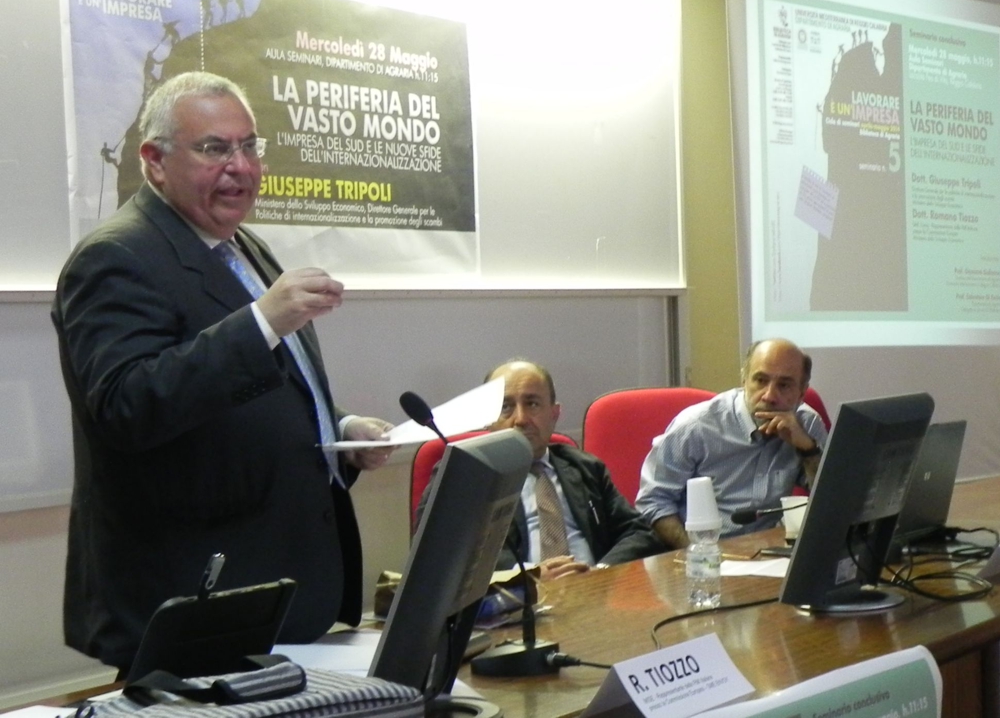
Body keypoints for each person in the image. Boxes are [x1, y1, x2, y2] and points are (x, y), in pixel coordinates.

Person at [51, 71, 393, 671]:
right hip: (192, 602)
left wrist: (339, 430)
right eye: (214, 148)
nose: (240, 166)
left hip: (275, 589)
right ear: (154, 161)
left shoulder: (243, 246)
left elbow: (254, 391)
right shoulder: (115, 256)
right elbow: (128, 406)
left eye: (249, 146)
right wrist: (262, 321)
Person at [418, 359, 664, 580]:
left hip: (592, 594)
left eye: (532, 404)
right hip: (515, 603)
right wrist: (527, 577)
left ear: (554, 414)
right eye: (505, 407)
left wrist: (600, 572)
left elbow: (638, 532)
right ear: (488, 418)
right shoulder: (464, 474)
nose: (520, 419)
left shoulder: (585, 467)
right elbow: (440, 552)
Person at [635, 338, 828, 550]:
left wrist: (808, 449)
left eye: (784, 385)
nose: (770, 396)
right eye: (760, 381)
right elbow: (653, 501)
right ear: (744, 380)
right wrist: (698, 553)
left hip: (769, 551)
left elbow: (832, 500)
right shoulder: (696, 426)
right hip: (700, 551)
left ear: (802, 392)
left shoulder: (806, 424)